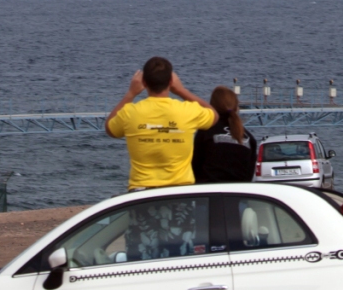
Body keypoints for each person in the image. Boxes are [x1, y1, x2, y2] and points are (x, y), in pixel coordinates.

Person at [105, 57, 217, 191]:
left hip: (141, 192)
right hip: (180, 190)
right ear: (170, 82)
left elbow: (110, 128)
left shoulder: (130, 112)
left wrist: (130, 93)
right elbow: (214, 115)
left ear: (144, 82)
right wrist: (181, 90)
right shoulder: (188, 111)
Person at [192, 86, 257, 183]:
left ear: (212, 106)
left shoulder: (206, 132)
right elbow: (248, 177)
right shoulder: (249, 138)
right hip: (238, 194)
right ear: (236, 107)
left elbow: (195, 168)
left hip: (208, 193)